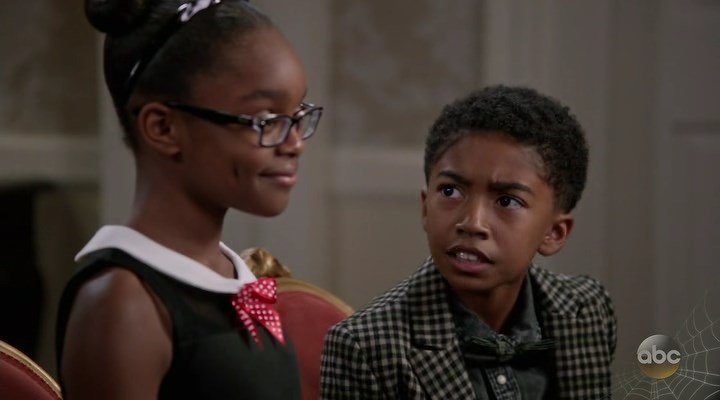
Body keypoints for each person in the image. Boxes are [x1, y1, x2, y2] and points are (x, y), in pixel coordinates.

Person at [55, 0, 322, 398]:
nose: (295, 143)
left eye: (298, 115)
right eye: (266, 121)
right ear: (163, 127)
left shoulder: (231, 279)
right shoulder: (125, 302)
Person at [321, 85, 616, 399]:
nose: (472, 222)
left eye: (507, 201)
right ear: (425, 207)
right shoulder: (366, 347)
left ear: (554, 233)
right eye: (450, 191)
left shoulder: (588, 311)